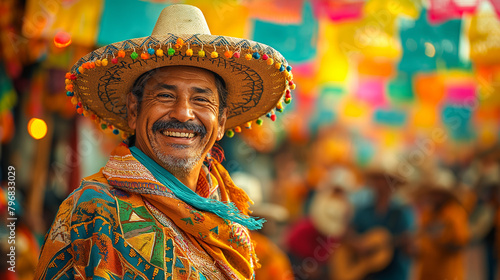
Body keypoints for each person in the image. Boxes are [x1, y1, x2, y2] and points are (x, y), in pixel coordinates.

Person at [34, 4, 294, 279]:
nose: (183, 113)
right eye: (165, 96)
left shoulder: (229, 218)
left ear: (221, 122)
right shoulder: (92, 209)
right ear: (134, 111)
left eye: (201, 99)